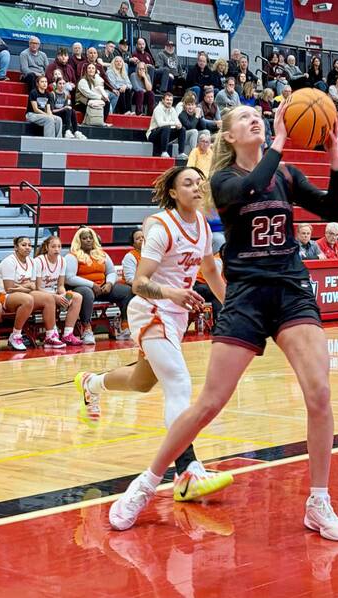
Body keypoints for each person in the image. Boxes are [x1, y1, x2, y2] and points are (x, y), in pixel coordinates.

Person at [106, 103, 338, 541]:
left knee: (320, 393)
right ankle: (145, 484)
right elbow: (253, 188)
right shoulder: (222, 181)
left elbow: (332, 207)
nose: (255, 118)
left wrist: (334, 154)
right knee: (209, 402)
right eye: (244, 117)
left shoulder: (288, 175)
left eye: (259, 114)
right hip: (247, 295)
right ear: (230, 137)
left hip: (291, 289)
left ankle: (318, 501)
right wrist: (280, 137)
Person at [78, 166, 232, 523]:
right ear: (175, 193)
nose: (197, 187)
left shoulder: (204, 227)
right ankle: (187, 470)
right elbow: (140, 283)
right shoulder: (162, 227)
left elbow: (210, 272)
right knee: (178, 383)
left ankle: (91, 383)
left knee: (142, 382)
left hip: (174, 318)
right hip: (151, 310)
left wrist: (234, 308)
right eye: (188, 183)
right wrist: (172, 292)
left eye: (200, 182)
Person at [64, 227, 133, 344]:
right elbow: (69, 278)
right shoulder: (71, 256)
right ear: (78, 240)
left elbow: (111, 272)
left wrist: (110, 283)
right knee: (86, 292)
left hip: (102, 288)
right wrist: (92, 285)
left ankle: (124, 324)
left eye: (91, 238)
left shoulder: (102, 254)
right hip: (83, 289)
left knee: (127, 291)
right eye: (84, 238)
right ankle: (87, 329)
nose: (88, 240)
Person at [0, 236, 66, 351]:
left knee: (49, 298)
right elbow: (9, 288)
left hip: (23, 293)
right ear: (16, 247)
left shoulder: (32, 262)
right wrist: (26, 286)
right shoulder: (9, 262)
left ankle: (50, 336)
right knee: (27, 299)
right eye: (24, 245)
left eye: (29, 245)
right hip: (2, 296)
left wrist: (23, 287)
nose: (27, 247)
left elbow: (33, 286)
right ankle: (15, 336)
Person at [34, 236, 83, 345]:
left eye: (59, 246)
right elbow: (37, 287)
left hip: (54, 292)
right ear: (47, 247)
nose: (57, 249)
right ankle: (51, 335)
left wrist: (65, 295)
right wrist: (55, 297)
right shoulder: (39, 261)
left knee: (77, 297)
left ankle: (68, 334)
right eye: (53, 246)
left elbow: (60, 285)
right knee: (50, 299)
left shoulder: (62, 260)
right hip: (40, 293)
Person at [146, 93, 188, 158]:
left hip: (165, 134)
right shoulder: (158, 109)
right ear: (163, 100)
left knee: (182, 129)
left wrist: (179, 125)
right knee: (166, 127)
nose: (169, 102)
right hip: (153, 134)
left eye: (171, 100)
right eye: (167, 100)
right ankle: (164, 152)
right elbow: (160, 124)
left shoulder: (173, 109)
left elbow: (177, 122)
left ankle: (181, 153)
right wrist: (174, 123)